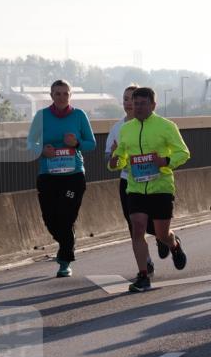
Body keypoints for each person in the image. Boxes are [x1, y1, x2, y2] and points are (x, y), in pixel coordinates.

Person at [107, 87, 191, 292]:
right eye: (135, 104)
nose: (138, 107)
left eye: (143, 103)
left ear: (153, 105)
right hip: (135, 187)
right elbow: (120, 158)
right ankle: (143, 275)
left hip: (160, 187)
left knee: (162, 234)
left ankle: (173, 244)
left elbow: (183, 153)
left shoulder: (166, 126)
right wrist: (115, 161)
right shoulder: (126, 129)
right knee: (137, 228)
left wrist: (165, 161)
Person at [27, 80, 97, 278]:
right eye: (57, 93)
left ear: (70, 95)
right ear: (51, 95)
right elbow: (30, 143)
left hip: (73, 177)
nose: (61, 97)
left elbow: (91, 144)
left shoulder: (79, 115)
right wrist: (42, 151)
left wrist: (76, 143)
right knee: (50, 220)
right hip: (48, 176)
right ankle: (68, 240)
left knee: (66, 217)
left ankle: (64, 261)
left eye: (65, 93)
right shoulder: (41, 116)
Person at [105, 84, 164, 276]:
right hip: (129, 182)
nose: (129, 103)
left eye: (133, 99)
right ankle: (146, 265)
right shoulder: (118, 128)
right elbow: (109, 159)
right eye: (125, 99)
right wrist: (114, 156)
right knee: (135, 226)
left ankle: (163, 237)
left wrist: (161, 160)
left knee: (155, 224)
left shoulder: (159, 126)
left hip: (155, 182)